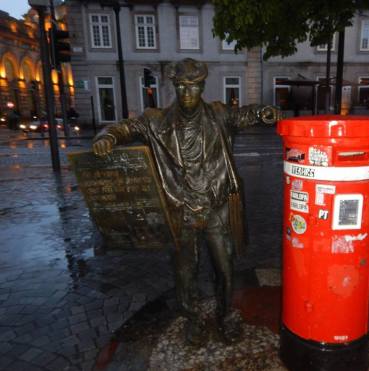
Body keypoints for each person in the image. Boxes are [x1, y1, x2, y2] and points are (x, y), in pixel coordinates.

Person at [92, 58, 280, 345]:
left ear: (202, 87)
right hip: (181, 210)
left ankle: (225, 313)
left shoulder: (218, 114)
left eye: (193, 87)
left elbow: (243, 115)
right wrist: (106, 137)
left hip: (216, 207)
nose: (187, 93)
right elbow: (123, 129)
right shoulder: (155, 121)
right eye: (181, 87)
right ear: (174, 87)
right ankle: (192, 317)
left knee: (225, 267)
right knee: (184, 272)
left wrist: (263, 112)